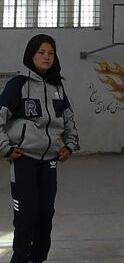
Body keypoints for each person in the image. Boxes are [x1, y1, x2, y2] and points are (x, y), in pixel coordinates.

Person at [0, 34, 79, 263]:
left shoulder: (57, 86)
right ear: (30, 55)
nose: (46, 57)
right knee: (25, 218)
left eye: (51, 53)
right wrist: (5, 148)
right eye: (41, 53)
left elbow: (69, 119)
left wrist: (70, 145)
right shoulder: (18, 85)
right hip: (24, 159)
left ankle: (38, 259)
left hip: (50, 162)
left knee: (45, 217)